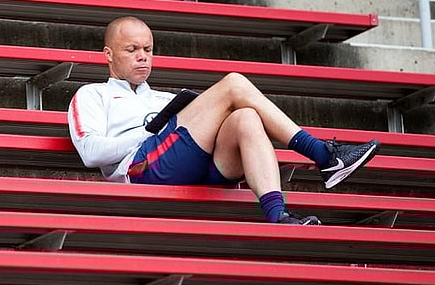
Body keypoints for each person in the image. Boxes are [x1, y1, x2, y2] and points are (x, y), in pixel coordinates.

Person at [67, 16, 379, 225]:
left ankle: (277, 216)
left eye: (148, 49)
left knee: (245, 117)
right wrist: (149, 133)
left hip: (192, 168)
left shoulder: (164, 99)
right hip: (141, 172)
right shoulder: (92, 94)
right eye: (131, 49)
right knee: (233, 83)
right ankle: (323, 155)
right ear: (108, 54)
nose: (142, 56)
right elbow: (91, 153)